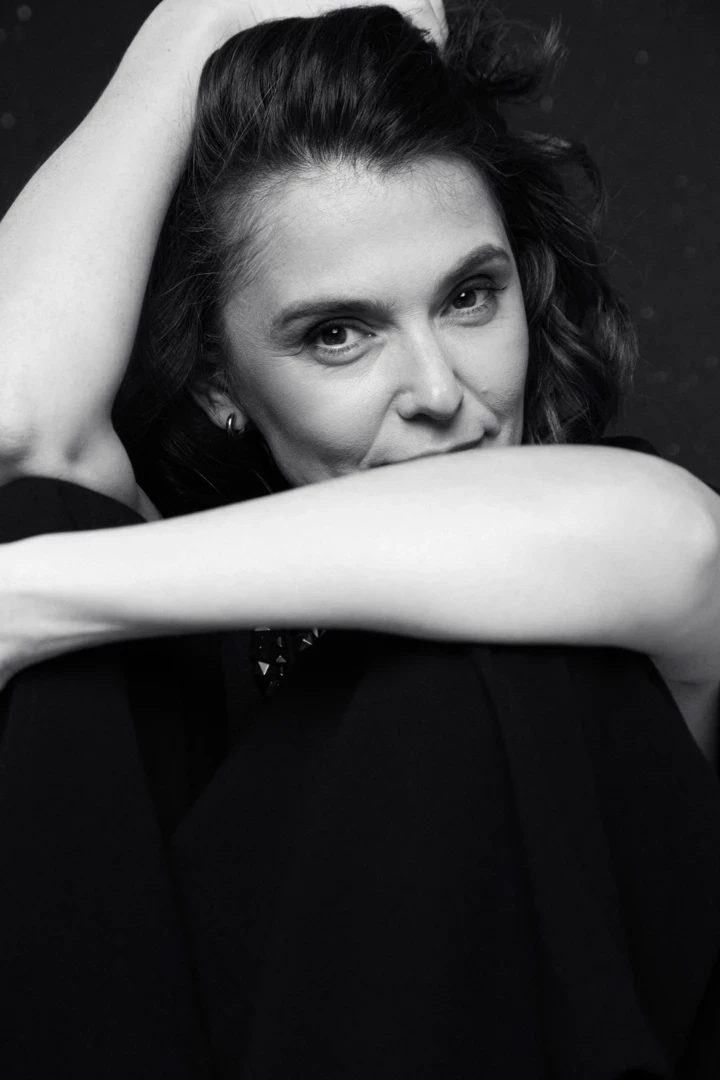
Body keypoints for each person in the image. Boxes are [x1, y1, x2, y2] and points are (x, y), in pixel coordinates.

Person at [1, 1, 720, 1076]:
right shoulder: (171, 672)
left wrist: (25, 599)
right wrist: (195, 25)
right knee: (42, 518)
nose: (438, 390)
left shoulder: (612, 552)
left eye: (470, 296)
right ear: (219, 382)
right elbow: (19, 424)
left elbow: (683, 543)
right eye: (338, 334)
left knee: (479, 648)